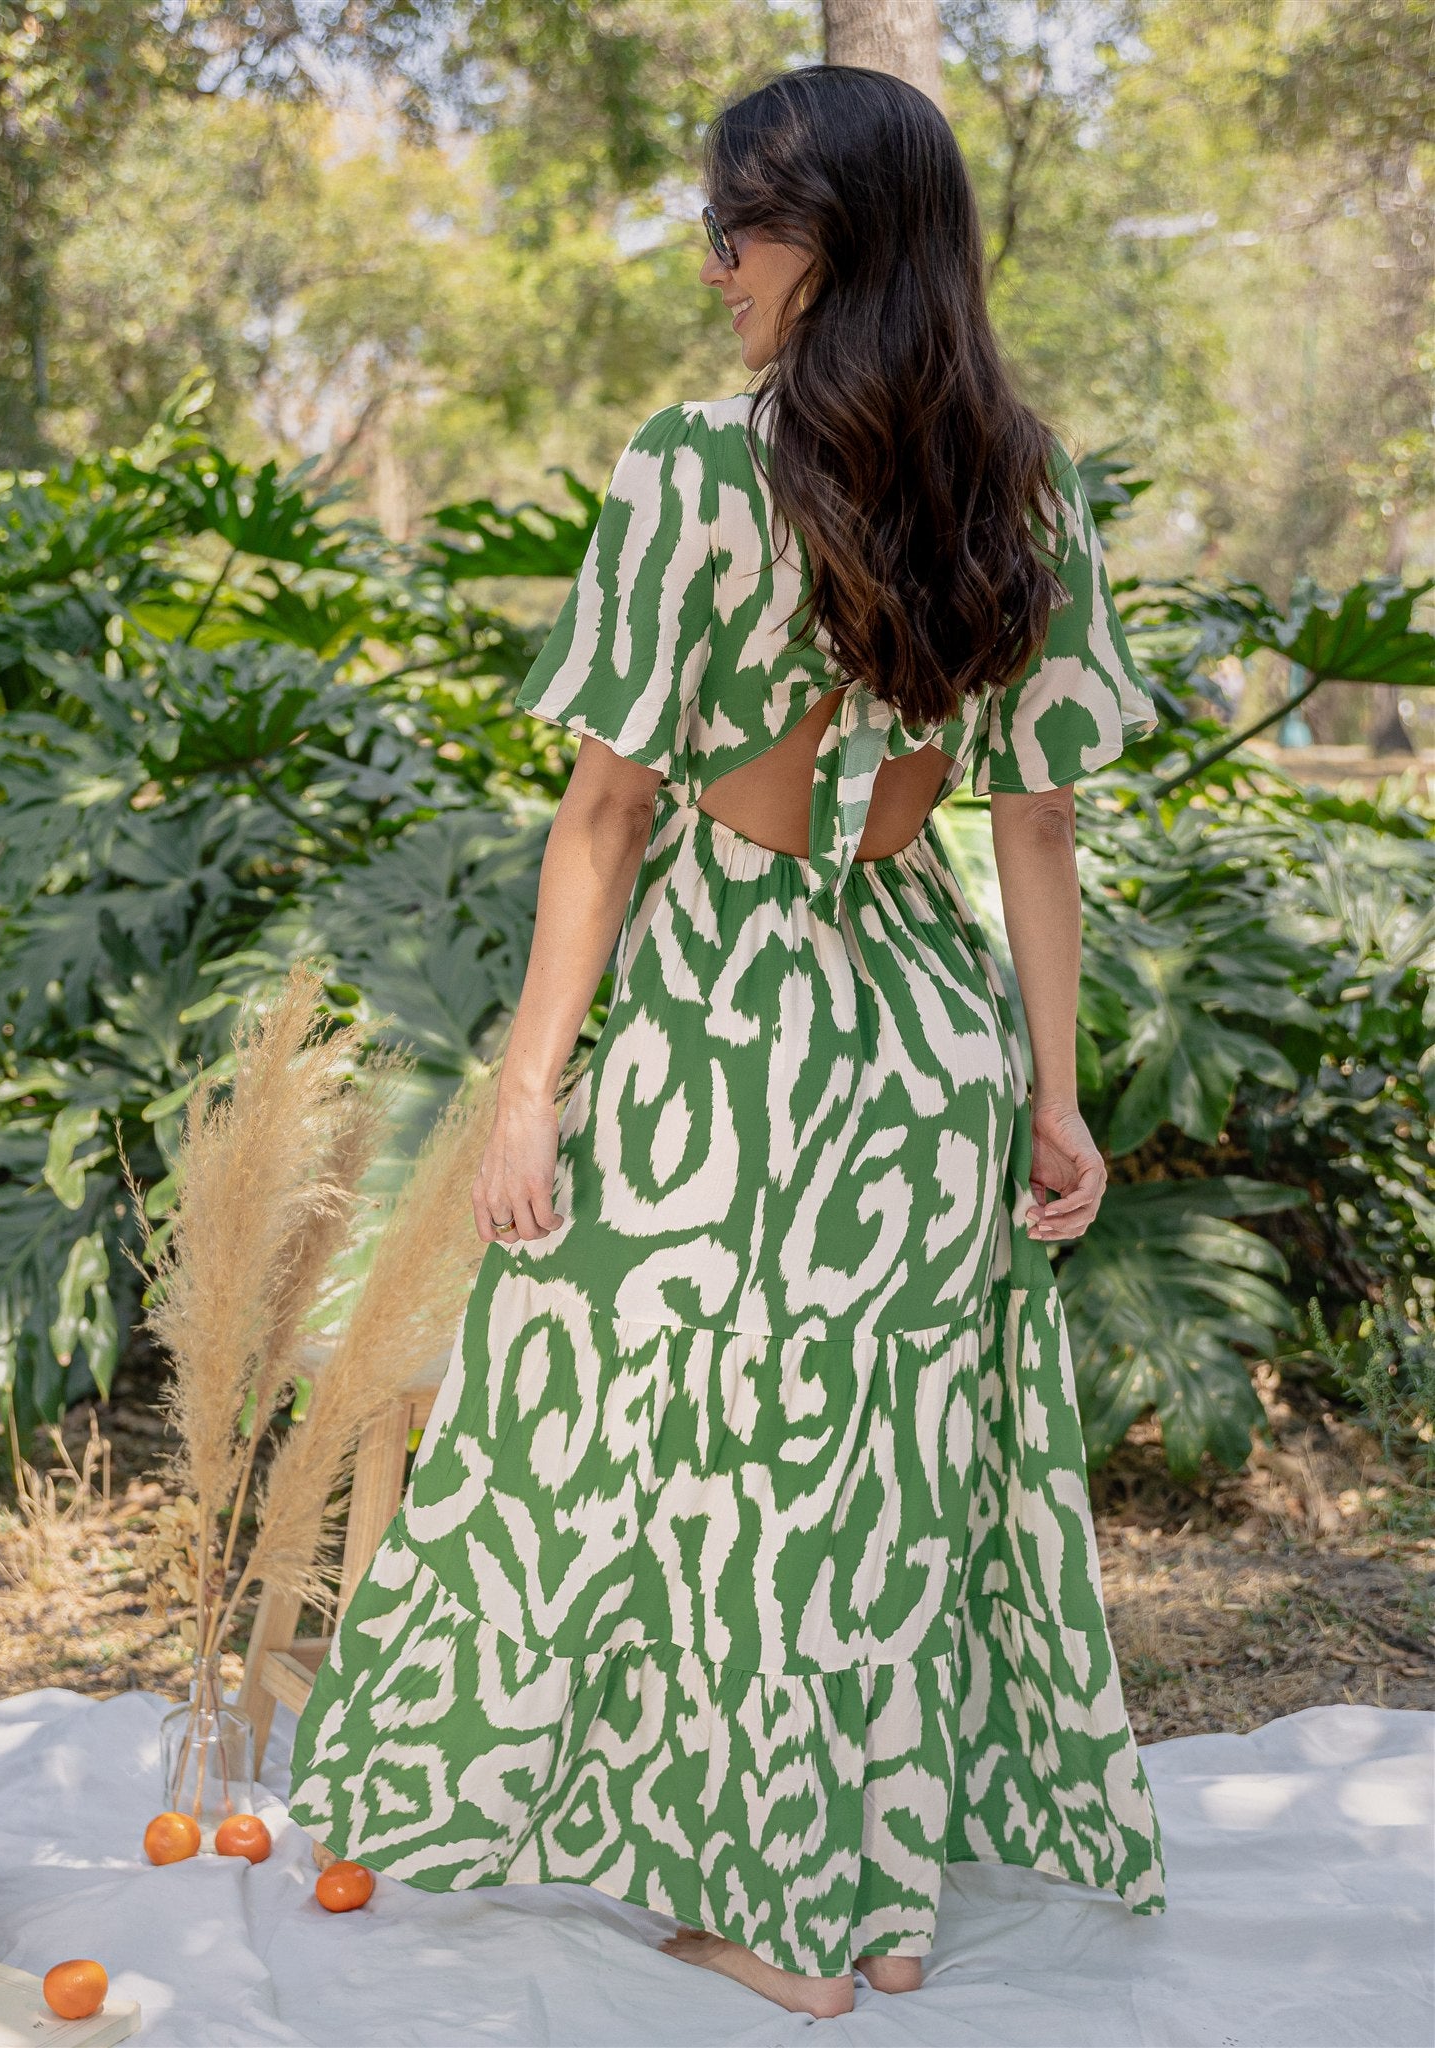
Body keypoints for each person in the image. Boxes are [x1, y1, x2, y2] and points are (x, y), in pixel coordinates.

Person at [288, 61, 1166, 2019]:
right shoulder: (1025, 484)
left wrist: (528, 1090)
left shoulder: (697, 468)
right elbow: (1035, 824)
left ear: (832, 241)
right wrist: (1054, 1095)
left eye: (738, 230)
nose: (715, 268)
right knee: (877, 1463)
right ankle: (876, 1896)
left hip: (727, 1017)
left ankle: (772, 1918)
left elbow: (607, 815)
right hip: (926, 1029)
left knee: (682, 1447)